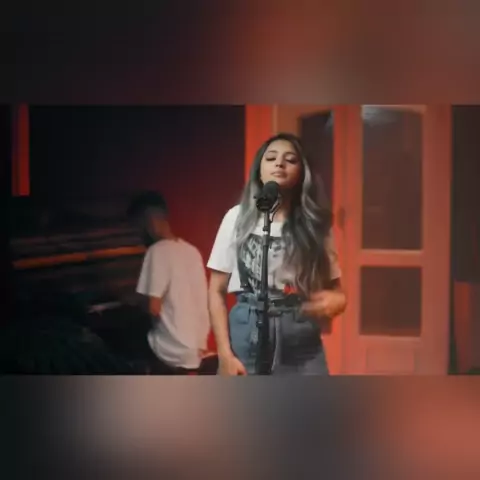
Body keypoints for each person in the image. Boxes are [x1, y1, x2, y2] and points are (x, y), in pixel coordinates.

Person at [207, 133, 347, 376]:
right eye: (271, 158)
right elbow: (215, 291)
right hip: (248, 331)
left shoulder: (315, 225)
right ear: (259, 171)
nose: (279, 163)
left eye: (290, 160)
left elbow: (337, 291)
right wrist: (224, 354)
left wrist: (337, 301)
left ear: (302, 173)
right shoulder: (236, 218)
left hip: (300, 335)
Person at [129, 192, 211, 375]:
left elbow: (153, 308)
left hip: (171, 350)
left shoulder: (156, 251)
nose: (138, 234)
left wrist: (133, 300)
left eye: (137, 227)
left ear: (148, 221)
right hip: (196, 348)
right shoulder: (192, 251)